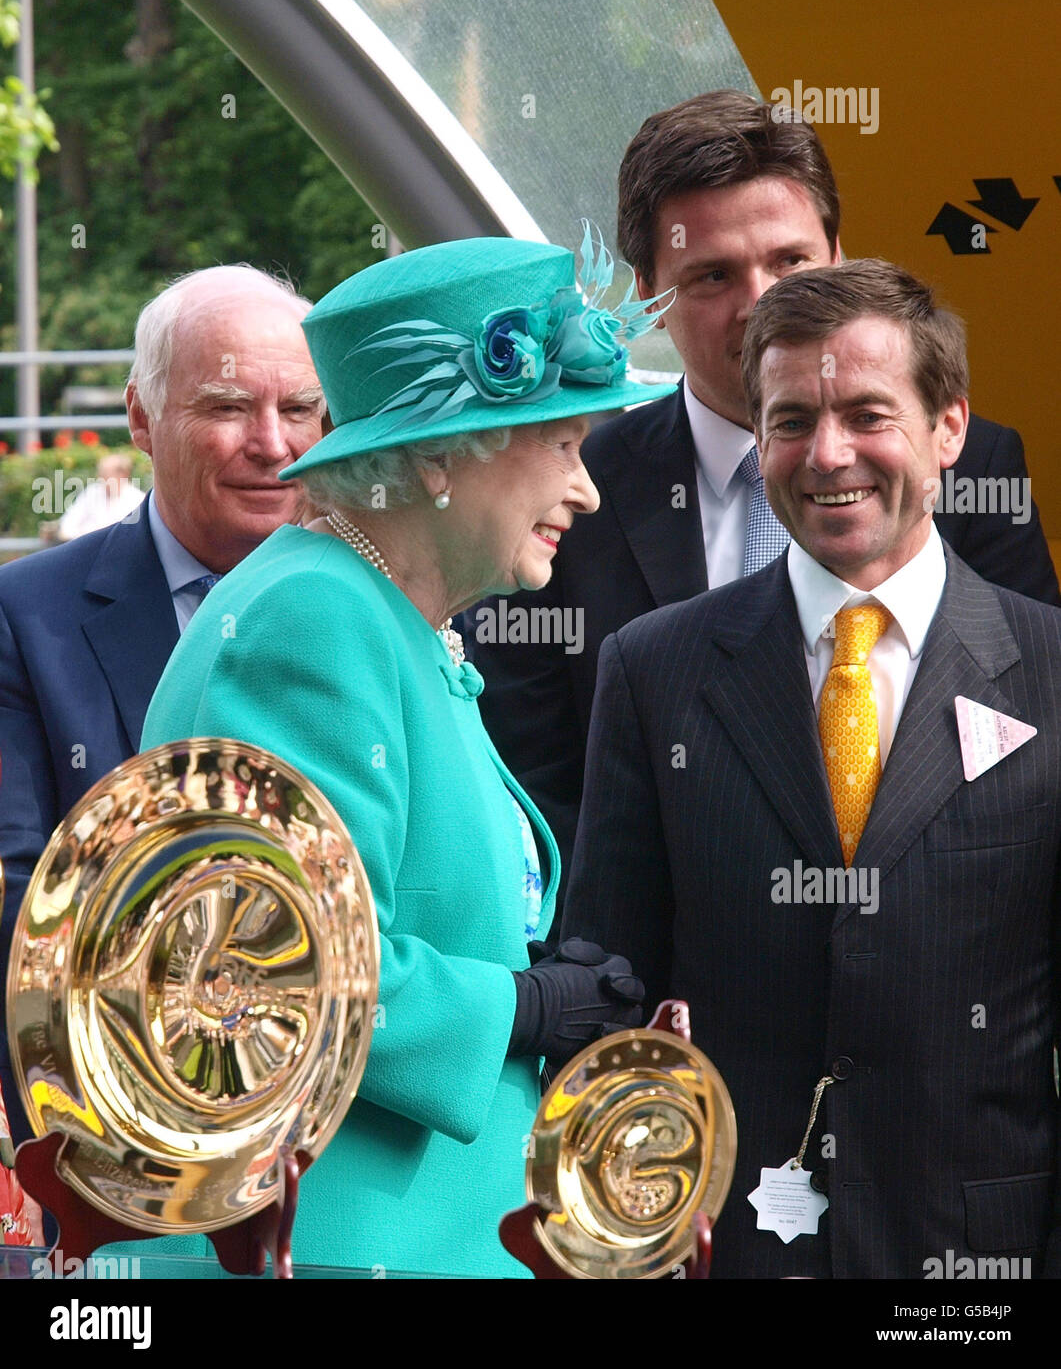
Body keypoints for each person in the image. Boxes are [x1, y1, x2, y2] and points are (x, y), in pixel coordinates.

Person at [121, 234, 665, 1277]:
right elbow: (269, 964)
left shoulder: (382, 612)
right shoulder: (313, 617)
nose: (586, 490)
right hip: (328, 1243)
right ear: (436, 457)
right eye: (559, 445)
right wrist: (519, 1008)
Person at [562, 258, 1061, 1279]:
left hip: (978, 1257)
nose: (827, 454)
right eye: (789, 421)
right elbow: (607, 982)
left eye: (867, 414)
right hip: (726, 1246)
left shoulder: (1049, 673)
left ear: (948, 430)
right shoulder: (653, 668)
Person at [466, 90, 1060, 898]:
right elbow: (535, 789)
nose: (761, 304)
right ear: (646, 293)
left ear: (840, 256)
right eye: (712, 274)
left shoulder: (969, 464)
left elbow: (1026, 737)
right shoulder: (566, 494)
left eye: (789, 261)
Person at [0, 264, 325, 1142]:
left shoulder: (397, 610)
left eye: (299, 410)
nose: (272, 443)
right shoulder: (27, 619)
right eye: (225, 408)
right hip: (120, 1137)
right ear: (141, 418)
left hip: (360, 1143)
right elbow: (25, 913)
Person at [56, 451, 144, 541]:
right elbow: (69, 522)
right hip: (82, 545)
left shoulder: (137, 499)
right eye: (100, 473)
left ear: (123, 474)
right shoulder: (92, 492)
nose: (100, 478)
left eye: (105, 474)